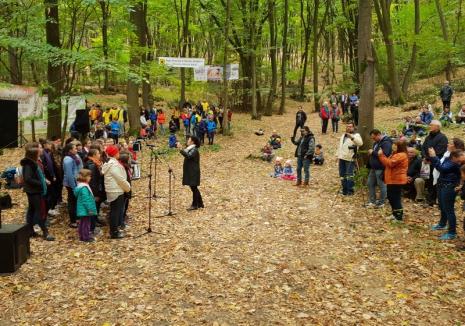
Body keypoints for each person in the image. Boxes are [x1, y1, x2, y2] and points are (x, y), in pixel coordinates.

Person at [20, 144, 55, 241]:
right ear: (33, 155)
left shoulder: (33, 163)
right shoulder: (28, 165)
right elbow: (28, 178)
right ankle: (45, 232)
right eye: (37, 153)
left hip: (34, 190)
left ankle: (30, 231)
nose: (40, 153)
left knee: (32, 211)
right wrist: (41, 183)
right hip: (33, 191)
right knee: (39, 212)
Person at [429, 148, 465, 240]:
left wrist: (433, 156)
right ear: (454, 157)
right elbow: (440, 165)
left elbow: (441, 168)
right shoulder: (447, 159)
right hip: (441, 185)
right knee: (442, 206)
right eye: (462, 155)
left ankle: (452, 232)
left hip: (449, 187)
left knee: (449, 209)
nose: (464, 156)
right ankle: (442, 224)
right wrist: (436, 159)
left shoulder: (456, 164)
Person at [102, 145, 131, 239]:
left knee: (115, 210)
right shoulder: (114, 165)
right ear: (115, 154)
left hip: (115, 189)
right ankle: (114, 232)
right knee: (115, 211)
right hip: (116, 190)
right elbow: (120, 179)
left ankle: (115, 229)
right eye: (118, 152)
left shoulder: (110, 163)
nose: (119, 153)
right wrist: (128, 187)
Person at [378, 141, 409, 221]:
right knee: (391, 197)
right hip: (392, 179)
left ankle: (399, 217)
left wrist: (381, 155)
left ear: (400, 147)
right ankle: (394, 214)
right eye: (393, 145)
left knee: (395, 198)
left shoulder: (401, 155)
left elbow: (390, 163)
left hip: (397, 180)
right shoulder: (395, 154)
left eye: (395, 145)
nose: (393, 147)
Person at [421, 120, 448, 206]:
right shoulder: (428, 137)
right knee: (428, 181)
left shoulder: (442, 137)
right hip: (427, 163)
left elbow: (440, 151)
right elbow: (423, 147)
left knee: (434, 181)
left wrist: (429, 159)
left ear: (437, 127)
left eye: (431, 125)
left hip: (436, 163)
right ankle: (429, 198)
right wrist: (425, 157)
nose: (430, 126)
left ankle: (433, 200)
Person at [366, 129, 393, 208]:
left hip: (381, 168)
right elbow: (376, 153)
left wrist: (373, 152)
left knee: (382, 185)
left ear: (378, 134)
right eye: (372, 138)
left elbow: (385, 154)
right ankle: (372, 201)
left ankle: (382, 202)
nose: (373, 139)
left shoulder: (386, 142)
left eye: (374, 137)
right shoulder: (376, 143)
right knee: (370, 183)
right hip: (373, 168)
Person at [177, 136, 204, 210]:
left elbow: (188, 156)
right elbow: (186, 153)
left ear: (192, 142)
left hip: (193, 172)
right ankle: (200, 203)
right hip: (191, 171)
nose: (187, 141)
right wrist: (181, 149)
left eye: (189, 139)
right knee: (194, 188)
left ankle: (195, 205)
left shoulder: (194, 150)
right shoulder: (190, 149)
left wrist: (180, 149)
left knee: (194, 187)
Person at [337, 122, 363, 196]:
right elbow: (340, 147)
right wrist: (338, 155)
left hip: (350, 158)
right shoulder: (343, 136)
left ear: (354, 128)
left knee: (349, 175)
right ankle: (344, 190)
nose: (348, 128)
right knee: (342, 175)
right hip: (342, 157)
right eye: (347, 126)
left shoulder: (356, 135)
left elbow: (360, 143)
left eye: (350, 126)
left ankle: (350, 191)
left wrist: (351, 137)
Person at [84, 148, 105, 233]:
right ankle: (92, 227)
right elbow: (93, 181)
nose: (99, 155)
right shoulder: (91, 165)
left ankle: (95, 221)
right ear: (94, 155)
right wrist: (95, 194)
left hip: (96, 189)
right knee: (93, 208)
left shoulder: (95, 163)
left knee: (96, 207)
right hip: (94, 191)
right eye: (98, 154)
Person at [74, 169, 97, 242]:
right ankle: (86, 237)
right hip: (85, 209)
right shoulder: (84, 188)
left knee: (82, 222)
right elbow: (86, 200)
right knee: (86, 223)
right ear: (85, 177)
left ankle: (82, 236)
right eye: (89, 176)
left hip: (82, 209)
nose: (90, 177)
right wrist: (89, 209)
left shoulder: (81, 186)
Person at [63, 142, 82, 228]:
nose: (76, 149)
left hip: (76, 182)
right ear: (70, 150)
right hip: (71, 184)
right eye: (74, 148)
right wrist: (74, 187)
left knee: (76, 201)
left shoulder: (74, 156)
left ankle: (77, 218)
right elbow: (69, 175)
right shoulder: (68, 159)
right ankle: (73, 220)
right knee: (72, 201)